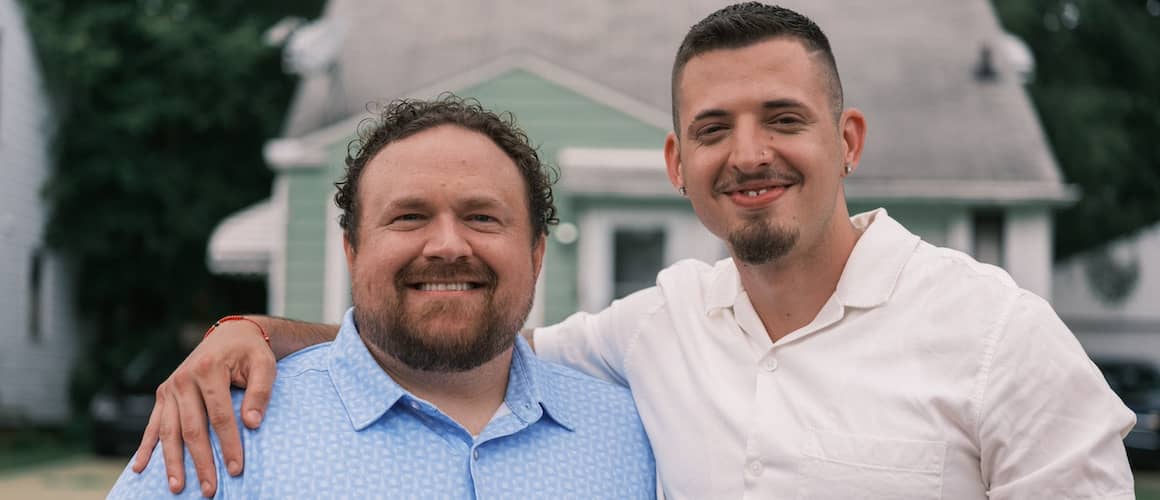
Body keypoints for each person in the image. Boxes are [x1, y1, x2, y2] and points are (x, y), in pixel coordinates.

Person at [134, 3, 1136, 499]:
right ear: (674, 160)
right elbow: (452, 337)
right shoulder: (648, 333)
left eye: (781, 117)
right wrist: (251, 328)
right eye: (711, 127)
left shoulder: (996, 336)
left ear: (847, 141)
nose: (747, 153)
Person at [108, 95, 656, 498]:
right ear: (352, 250)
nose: (446, 245)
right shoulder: (221, 431)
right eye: (409, 217)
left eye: (482, 217)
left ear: (537, 253)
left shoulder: (640, 436)